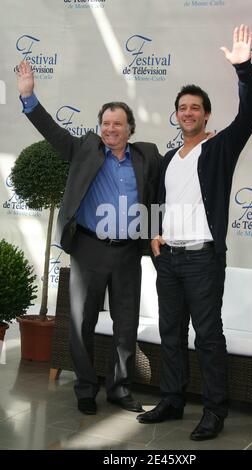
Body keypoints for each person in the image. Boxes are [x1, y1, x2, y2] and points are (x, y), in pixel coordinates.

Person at [16, 60, 162, 415]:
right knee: (82, 323)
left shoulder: (148, 156)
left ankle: (119, 388)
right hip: (89, 249)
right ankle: (85, 388)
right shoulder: (84, 149)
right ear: (100, 127)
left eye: (118, 124)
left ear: (130, 128)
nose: (111, 129)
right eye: (106, 124)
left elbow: (161, 193)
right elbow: (53, 132)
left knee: (125, 324)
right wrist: (28, 97)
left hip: (128, 253)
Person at [137, 24, 252, 440]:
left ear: (206, 113)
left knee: (208, 336)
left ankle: (213, 411)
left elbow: (250, 116)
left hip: (203, 260)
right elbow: (156, 198)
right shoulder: (170, 157)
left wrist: (243, 71)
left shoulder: (219, 147)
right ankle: (171, 400)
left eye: (195, 107)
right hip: (169, 261)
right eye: (182, 108)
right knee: (170, 334)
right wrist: (153, 234)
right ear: (176, 114)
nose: (187, 113)